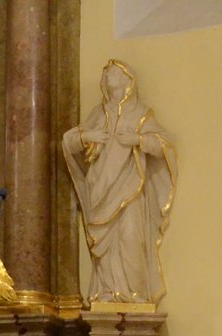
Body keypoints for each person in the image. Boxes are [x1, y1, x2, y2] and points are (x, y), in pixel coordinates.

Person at [61, 60, 177, 305]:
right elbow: (69, 142)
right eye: (107, 73)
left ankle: (133, 293)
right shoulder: (99, 113)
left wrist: (139, 140)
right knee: (106, 245)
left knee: (131, 238)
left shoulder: (141, 114)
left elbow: (163, 145)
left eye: (114, 72)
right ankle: (107, 291)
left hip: (129, 188)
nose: (108, 74)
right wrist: (87, 136)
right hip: (100, 189)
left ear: (128, 80)